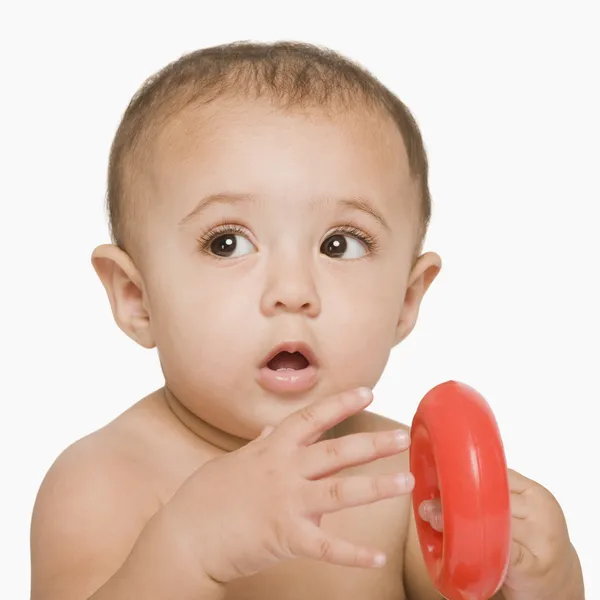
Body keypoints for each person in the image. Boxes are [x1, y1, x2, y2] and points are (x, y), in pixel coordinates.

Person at [29, 41, 584, 600]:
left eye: (340, 245)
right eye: (227, 243)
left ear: (407, 300)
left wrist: (540, 577)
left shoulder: (404, 481)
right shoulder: (102, 484)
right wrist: (187, 549)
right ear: (135, 298)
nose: (293, 291)